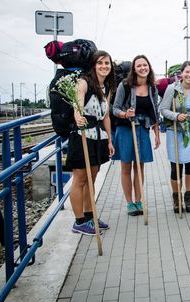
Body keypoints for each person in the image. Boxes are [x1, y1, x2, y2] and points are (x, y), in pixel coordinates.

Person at [68, 50, 116, 235]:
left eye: (107, 63)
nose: (104, 66)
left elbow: (105, 117)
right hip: (82, 136)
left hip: (99, 137)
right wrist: (78, 117)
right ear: (94, 65)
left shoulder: (107, 88)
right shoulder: (83, 82)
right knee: (80, 178)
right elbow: (77, 106)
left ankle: (90, 216)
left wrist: (110, 140)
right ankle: (79, 221)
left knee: (92, 177)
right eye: (100, 63)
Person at [112, 55, 161, 216]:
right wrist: (125, 114)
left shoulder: (152, 87)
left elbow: (155, 111)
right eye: (138, 66)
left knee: (139, 166)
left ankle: (139, 200)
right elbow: (115, 109)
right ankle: (129, 203)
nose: (142, 68)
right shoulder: (125, 85)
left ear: (149, 67)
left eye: (145, 65)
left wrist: (156, 134)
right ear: (134, 68)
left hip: (143, 129)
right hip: (126, 128)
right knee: (126, 166)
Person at [159, 61, 190, 213]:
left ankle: (189, 196)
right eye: (187, 72)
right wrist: (176, 116)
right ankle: (176, 197)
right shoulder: (172, 89)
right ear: (182, 73)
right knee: (176, 166)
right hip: (175, 131)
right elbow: (163, 109)